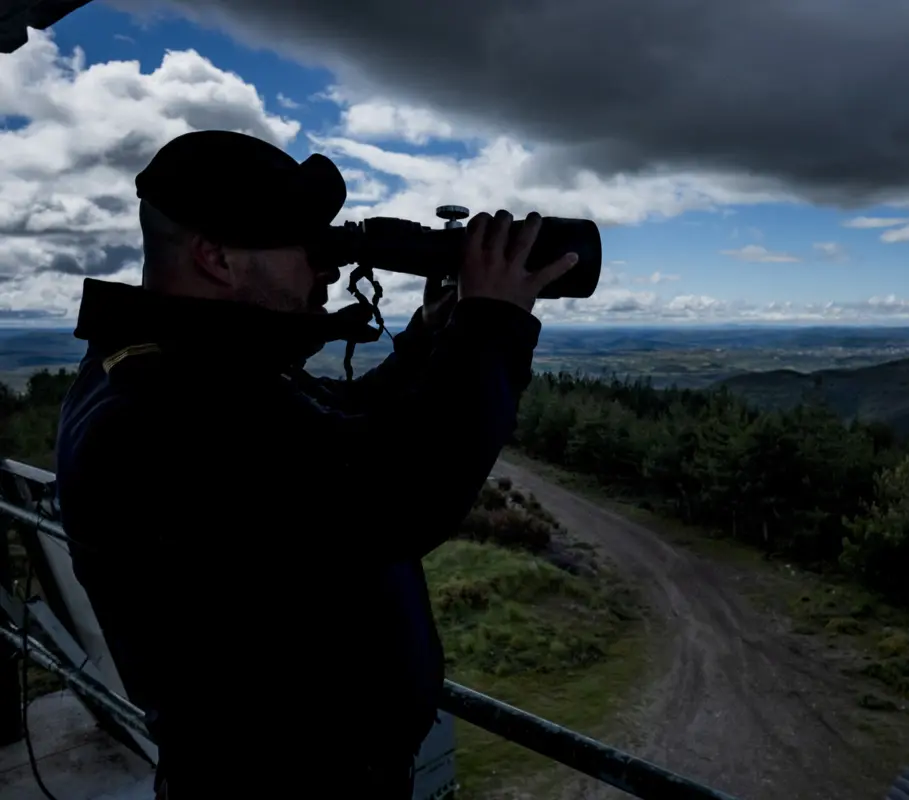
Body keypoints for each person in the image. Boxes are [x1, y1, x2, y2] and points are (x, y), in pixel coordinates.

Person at [54, 129, 577, 798]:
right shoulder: (153, 414)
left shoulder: (193, 372)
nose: (328, 271)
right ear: (216, 256)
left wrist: (433, 337)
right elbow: (399, 495)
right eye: (309, 248)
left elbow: (333, 433)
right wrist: (493, 326)